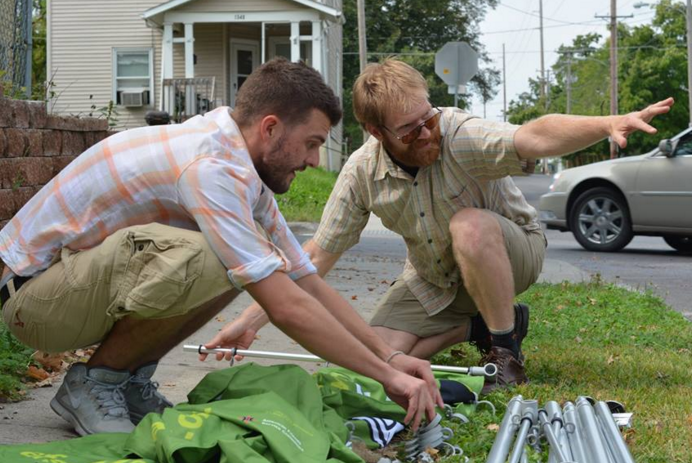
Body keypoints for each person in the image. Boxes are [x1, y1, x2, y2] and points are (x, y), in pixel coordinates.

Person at [0, 58, 443, 437]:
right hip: (35, 299)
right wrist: (386, 378)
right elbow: (284, 307)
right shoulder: (211, 167)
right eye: (311, 144)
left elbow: (304, 279)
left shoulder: (241, 167)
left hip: (72, 288)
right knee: (217, 258)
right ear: (270, 128)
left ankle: (126, 381)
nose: (311, 160)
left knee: (243, 260)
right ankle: (94, 384)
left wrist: (392, 359)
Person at [211, 58, 673, 393]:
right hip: (432, 278)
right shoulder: (360, 172)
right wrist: (251, 320)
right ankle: (475, 329)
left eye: (427, 117)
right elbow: (316, 256)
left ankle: (505, 351)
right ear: (377, 134)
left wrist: (607, 122)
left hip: (511, 253)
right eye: (409, 129)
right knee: (377, 358)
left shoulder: (458, 132)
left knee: (469, 225)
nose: (427, 132)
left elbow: (533, 136)